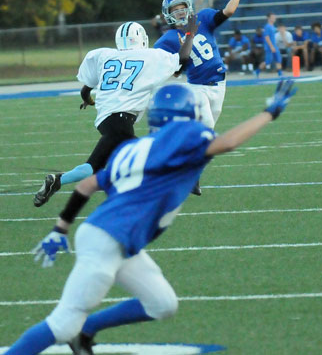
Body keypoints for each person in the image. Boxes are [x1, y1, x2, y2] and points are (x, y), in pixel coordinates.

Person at [5, 80, 297, 355]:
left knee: (162, 304)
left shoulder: (133, 148)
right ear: (190, 113)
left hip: (111, 236)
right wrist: (269, 113)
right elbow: (228, 143)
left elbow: (87, 184)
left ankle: (87, 330)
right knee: (63, 322)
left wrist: (61, 228)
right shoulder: (187, 135)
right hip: (109, 239)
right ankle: (73, 331)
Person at [33, 17, 198, 207]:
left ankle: (57, 180)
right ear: (141, 39)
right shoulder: (150, 56)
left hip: (106, 120)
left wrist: (89, 101)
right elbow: (183, 59)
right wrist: (189, 34)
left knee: (93, 167)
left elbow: (85, 90)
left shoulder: (105, 56)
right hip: (121, 119)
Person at [154, 0, 245, 194]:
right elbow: (172, 69)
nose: (180, 13)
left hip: (219, 86)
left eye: (182, 8)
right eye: (174, 10)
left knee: (204, 138)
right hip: (197, 88)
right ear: (168, 14)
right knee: (206, 132)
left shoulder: (203, 17)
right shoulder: (167, 40)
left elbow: (228, 12)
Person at [255, 13, 283, 78]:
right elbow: (267, 37)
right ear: (269, 18)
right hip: (269, 46)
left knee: (278, 59)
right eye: (273, 17)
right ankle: (257, 71)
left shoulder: (273, 26)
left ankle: (280, 74)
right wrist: (271, 46)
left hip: (274, 45)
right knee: (268, 61)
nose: (274, 18)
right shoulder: (267, 27)